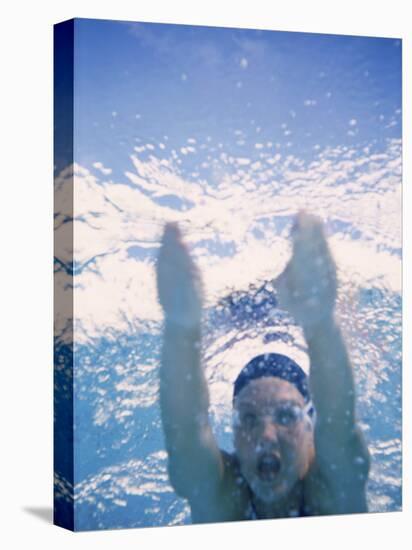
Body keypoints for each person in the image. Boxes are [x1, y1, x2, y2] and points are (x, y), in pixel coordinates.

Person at [155, 211, 370, 523]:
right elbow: (186, 436)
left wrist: (320, 321)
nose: (267, 435)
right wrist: (181, 327)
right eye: (249, 418)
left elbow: (340, 425)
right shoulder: (226, 499)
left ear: (311, 431)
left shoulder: (331, 492)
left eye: (286, 415)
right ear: (233, 434)